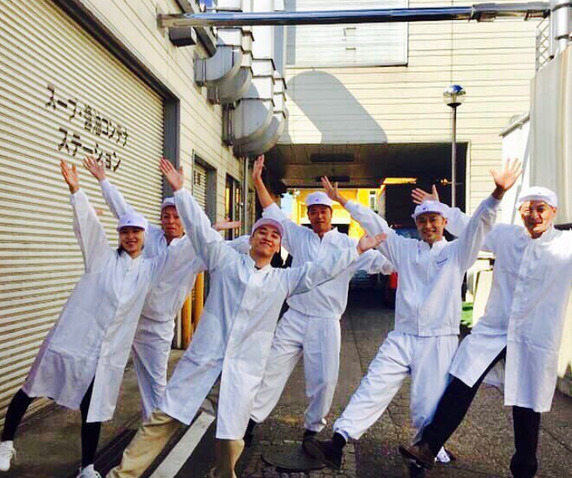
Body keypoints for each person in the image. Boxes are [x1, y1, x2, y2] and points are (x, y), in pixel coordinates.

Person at [106, 159, 385, 478]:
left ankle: (225, 473)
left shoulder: (283, 280)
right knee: (163, 418)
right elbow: (200, 232)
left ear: (279, 247)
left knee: (231, 439)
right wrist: (182, 192)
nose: (267, 237)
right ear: (250, 240)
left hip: (243, 369)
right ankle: (121, 475)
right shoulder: (225, 260)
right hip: (204, 359)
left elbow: (319, 271)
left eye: (274, 235)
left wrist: (356, 250)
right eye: (261, 232)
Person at [303, 160, 521, 477]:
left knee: (427, 404)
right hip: (401, 336)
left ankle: (421, 459)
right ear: (416, 224)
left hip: (438, 339)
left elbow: (479, 225)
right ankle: (337, 442)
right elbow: (375, 224)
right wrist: (343, 201)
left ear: (443, 222)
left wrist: (497, 194)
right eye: (422, 221)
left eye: (433, 220)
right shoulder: (405, 250)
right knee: (373, 385)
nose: (428, 226)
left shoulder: (457, 252)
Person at [0, 161, 193, 477]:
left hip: (104, 352)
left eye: (136, 232)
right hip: (70, 339)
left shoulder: (151, 269)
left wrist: (191, 211)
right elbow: (88, 224)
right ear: (119, 235)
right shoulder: (101, 256)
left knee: (92, 405)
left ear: (145, 236)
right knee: (32, 387)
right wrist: (76, 190)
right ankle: (5, 443)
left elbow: (184, 250)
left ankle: (87, 467)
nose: (130, 237)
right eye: (125, 231)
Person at [399, 184, 572, 478]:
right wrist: (441, 209)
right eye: (527, 209)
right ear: (520, 212)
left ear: (553, 212)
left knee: (527, 403)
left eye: (540, 209)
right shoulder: (507, 236)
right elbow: (472, 226)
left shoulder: (566, 244)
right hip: (495, 328)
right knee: (462, 377)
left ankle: (524, 470)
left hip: (534, 336)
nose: (534, 215)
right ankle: (428, 448)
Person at [246, 156, 394, 444]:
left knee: (324, 380)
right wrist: (257, 181)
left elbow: (385, 263)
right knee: (271, 369)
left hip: (326, 321)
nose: (318, 216)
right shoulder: (298, 236)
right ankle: (250, 421)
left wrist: (411, 264)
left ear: (330, 213)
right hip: (295, 316)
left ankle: (312, 430)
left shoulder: (348, 244)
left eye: (323, 211)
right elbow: (271, 210)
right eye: (313, 212)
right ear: (308, 214)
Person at [83, 157, 245, 420]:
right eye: (166, 216)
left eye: (177, 216)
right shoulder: (151, 236)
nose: (171, 221)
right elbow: (122, 210)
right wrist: (103, 180)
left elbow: (229, 249)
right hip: (127, 316)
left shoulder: (195, 249)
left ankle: (153, 431)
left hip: (157, 325)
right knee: (98, 366)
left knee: (155, 383)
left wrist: (256, 240)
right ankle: (90, 415)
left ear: (185, 220)